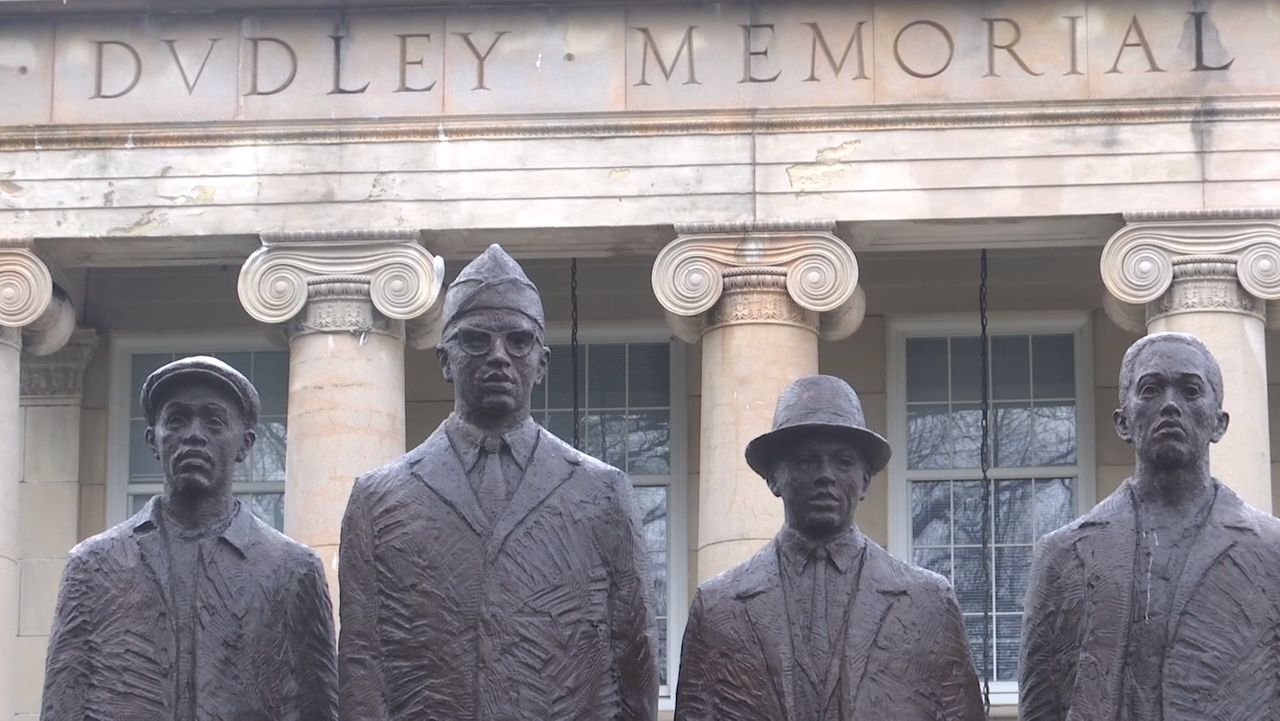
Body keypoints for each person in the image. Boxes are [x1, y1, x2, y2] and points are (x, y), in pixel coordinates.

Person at [339, 244, 658, 721]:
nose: (498, 357)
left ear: (542, 364)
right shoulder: (378, 497)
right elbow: (362, 665)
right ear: (445, 360)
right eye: (474, 341)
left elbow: (635, 656)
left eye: (519, 341)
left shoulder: (602, 493)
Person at [41, 355, 337, 721]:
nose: (194, 435)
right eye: (177, 420)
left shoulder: (293, 570)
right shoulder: (93, 566)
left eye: (214, 422)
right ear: (153, 440)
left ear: (245, 444)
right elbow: (62, 702)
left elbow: (320, 705)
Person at [675, 375, 985, 721]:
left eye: (843, 462)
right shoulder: (719, 606)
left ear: (865, 480)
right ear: (773, 478)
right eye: (805, 461)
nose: (826, 475)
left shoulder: (928, 601)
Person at [1020, 332, 1280, 721]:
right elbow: (1039, 703)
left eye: (1191, 391)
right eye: (1151, 389)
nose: (1170, 406)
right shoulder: (1061, 555)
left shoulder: (1271, 550)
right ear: (1123, 422)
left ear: (1218, 424)